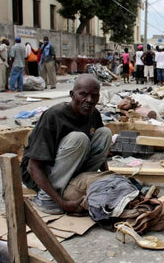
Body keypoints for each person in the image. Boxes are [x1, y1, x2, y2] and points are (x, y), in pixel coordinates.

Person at [21, 74, 112, 214]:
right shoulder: (54, 116)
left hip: (71, 168)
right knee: (79, 138)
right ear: (72, 94)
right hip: (40, 174)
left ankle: (71, 184)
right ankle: (45, 198)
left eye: (95, 96)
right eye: (84, 94)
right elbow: (33, 167)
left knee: (105, 133)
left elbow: (100, 150)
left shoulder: (93, 114)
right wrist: (61, 203)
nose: (89, 100)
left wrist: (108, 176)